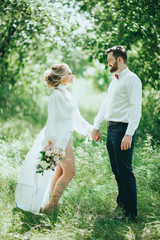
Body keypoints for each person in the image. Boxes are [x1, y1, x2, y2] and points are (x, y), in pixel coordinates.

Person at [15, 63, 92, 214]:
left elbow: (76, 118)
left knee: (60, 170)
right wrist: (50, 143)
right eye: (69, 73)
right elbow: (52, 120)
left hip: (66, 138)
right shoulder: (56, 96)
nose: (72, 75)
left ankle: (51, 201)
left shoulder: (68, 95)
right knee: (70, 172)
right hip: (57, 140)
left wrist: (91, 130)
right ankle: (52, 204)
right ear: (61, 77)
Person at [91, 46, 142, 221]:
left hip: (123, 130)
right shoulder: (115, 81)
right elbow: (105, 105)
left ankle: (131, 214)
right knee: (117, 170)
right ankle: (122, 206)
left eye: (109, 60)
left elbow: (136, 108)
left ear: (119, 59)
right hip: (112, 128)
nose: (108, 63)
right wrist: (96, 126)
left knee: (125, 171)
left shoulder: (132, 79)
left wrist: (129, 134)